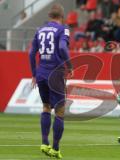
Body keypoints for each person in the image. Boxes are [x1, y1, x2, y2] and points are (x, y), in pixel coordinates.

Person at [29, 4, 73, 159]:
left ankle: (44, 142)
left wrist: (34, 74)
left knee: (46, 107)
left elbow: (31, 53)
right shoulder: (63, 29)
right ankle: (55, 148)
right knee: (60, 111)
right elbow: (62, 48)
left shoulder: (39, 30)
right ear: (62, 16)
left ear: (49, 16)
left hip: (41, 74)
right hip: (56, 73)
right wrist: (70, 66)